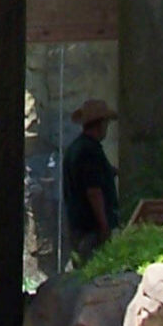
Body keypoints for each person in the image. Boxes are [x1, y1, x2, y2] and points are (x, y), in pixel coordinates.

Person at [62, 98, 119, 261]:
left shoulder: (75, 148)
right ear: (100, 124)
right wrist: (104, 226)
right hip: (91, 229)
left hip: (77, 226)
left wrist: (108, 173)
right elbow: (93, 191)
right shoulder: (90, 151)